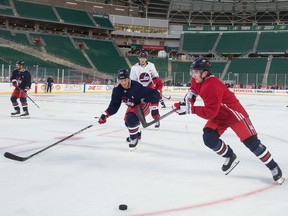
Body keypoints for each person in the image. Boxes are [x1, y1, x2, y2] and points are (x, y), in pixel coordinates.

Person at [173, 58, 285, 184]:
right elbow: (192, 92)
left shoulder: (211, 85)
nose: (193, 74)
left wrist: (189, 110)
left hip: (234, 114)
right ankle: (229, 156)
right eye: (192, 71)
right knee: (209, 138)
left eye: (196, 72)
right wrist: (186, 104)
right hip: (219, 113)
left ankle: (273, 166)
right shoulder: (196, 80)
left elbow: (210, 112)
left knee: (252, 143)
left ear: (205, 73)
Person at [98, 69, 161, 151]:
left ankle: (134, 138)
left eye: (125, 80)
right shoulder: (117, 90)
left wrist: (154, 108)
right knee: (127, 122)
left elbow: (155, 93)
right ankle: (137, 134)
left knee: (131, 119)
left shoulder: (136, 86)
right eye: (121, 80)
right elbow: (114, 105)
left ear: (128, 79)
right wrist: (105, 114)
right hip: (132, 106)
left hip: (143, 105)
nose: (123, 83)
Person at [130, 51, 166, 128]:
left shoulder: (151, 65)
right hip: (140, 90)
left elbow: (156, 76)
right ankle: (137, 121)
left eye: (144, 58)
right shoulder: (134, 68)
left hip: (150, 89)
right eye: (141, 58)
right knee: (138, 107)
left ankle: (156, 119)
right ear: (138, 58)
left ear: (146, 58)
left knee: (154, 107)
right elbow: (133, 80)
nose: (142, 59)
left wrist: (153, 83)